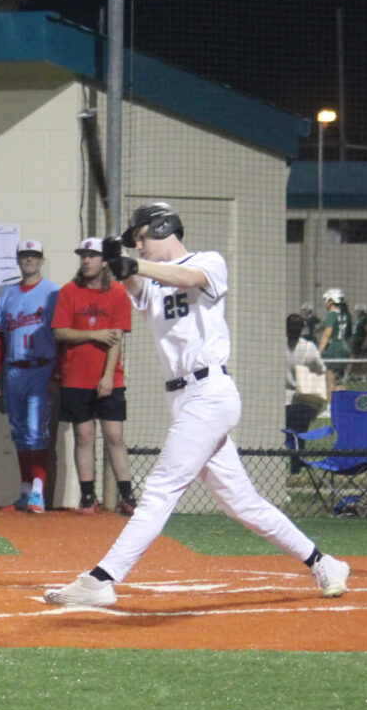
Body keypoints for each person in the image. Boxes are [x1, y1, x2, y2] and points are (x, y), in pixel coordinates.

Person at [44, 201, 350, 607]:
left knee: (160, 489)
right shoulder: (147, 280)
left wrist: (134, 265)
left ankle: (102, 578)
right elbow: (134, 283)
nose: (140, 247)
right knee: (241, 503)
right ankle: (324, 562)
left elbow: (186, 276)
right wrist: (116, 261)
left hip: (210, 392)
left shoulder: (208, 261)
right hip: (183, 399)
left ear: (162, 227)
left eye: (141, 239)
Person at [50, 237, 137, 515]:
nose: (86, 260)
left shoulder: (118, 294)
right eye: (83, 255)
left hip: (109, 378)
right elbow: (60, 332)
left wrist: (108, 376)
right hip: (75, 377)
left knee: (114, 436)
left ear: (104, 261)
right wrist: (92, 334)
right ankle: (88, 496)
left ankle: (127, 495)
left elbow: (117, 338)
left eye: (92, 256)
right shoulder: (68, 292)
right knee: (84, 436)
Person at [0, 239, 59, 513]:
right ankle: (26, 490)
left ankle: (38, 494)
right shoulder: (7, 294)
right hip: (14, 369)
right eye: (24, 256)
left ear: (41, 260)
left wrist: (58, 374)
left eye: (34, 256)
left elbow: (61, 336)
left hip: (41, 367)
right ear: (18, 260)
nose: (29, 260)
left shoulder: (53, 292)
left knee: (35, 431)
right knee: (19, 433)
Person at [284, 312, 327, 474]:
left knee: (286, 435)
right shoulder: (309, 348)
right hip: (304, 400)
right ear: (302, 329)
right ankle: (297, 466)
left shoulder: (278, 346)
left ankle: (288, 465)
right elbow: (321, 369)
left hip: (284, 401)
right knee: (299, 435)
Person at [317, 287, 352, 400]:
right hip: (344, 347)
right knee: (338, 380)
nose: (325, 303)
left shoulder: (332, 315)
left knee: (329, 380)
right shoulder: (345, 315)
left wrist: (319, 350)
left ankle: (329, 407)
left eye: (327, 300)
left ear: (331, 301)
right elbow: (348, 333)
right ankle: (342, 404)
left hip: (334, 348)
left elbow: (327, 335)